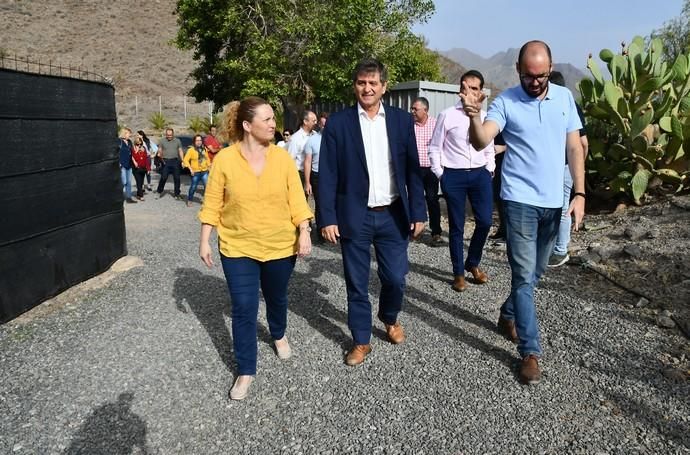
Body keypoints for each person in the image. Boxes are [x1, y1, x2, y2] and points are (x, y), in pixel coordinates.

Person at [461, 41, 585, 385]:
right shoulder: (506, 102)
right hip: (518, 202)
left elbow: (574, 146)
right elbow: (482, 140)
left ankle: (507, 312)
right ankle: (530, 352)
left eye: (542, 75)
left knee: (537, 271)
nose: (536, 82)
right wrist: (474, 117)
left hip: (554, 203)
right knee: (523, 274)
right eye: (529, 76)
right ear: (519, 70)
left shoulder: (563, 98)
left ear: (551, 68)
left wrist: (580, 192)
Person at [198, 96, 313, 400]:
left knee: (276, 297)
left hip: (279, 245)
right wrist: (204, 239)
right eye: (267, 119)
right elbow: (212, 203)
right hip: (238, 247)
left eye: (274, 118)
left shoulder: (282, 158)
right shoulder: (224, 159)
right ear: (248, 126)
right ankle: (245, 369)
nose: (274, 124)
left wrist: (304, 231)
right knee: (244, 308)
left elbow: (297, 199)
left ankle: (278, 333)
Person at [318, 58, 426, 366]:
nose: (367, 88)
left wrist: (418, 211)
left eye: (373, 83)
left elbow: (412, 170)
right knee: (356, 281)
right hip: (355, 214)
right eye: (362, 83)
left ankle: (389, 317)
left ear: (384, 87)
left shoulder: (400, 121)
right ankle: (361, 339)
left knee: (396, 277)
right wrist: (327, 217)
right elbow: (327, 174)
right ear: (355, 86)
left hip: (393, 214)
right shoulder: (339, 124)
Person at [429, 70, 495, 292]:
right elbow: (435, 146)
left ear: (480, 91)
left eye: (475, 88)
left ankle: (472, 262)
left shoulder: (486, 116)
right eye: (466, 87)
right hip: (453, 175)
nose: (469, 91)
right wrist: (441, 174)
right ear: (460, 89)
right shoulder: (447, 115)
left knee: (485, 221)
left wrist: (490, 169)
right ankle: (458, 273)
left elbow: (488, 146)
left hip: (480, 173)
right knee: (456, 226)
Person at [547, 71, 589, 267]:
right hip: (566, 165)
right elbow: (584, 144)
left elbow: (581, 142)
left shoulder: (553, 104)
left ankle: (560, 250)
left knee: (560, 206)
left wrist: (576, 166)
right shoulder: (574, 106)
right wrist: (579, 166)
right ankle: (558, 248)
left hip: (559, 164)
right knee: (562, 206)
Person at [411, 97, 442, 246]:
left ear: (425, 110)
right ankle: (415, 229)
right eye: (412, 108)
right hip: (414, 169)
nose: (413, 112)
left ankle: (436, 231)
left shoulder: (436, 124)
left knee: (432, 199)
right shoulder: (409, 125)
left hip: (430, 170)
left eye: (415, 109)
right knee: (415, 199)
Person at [304, 112, 328, 230]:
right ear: (319, 124)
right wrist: (307, 182)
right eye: (322, 125)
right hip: (317, 175)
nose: (324, 127)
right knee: (320, 203)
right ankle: (320, 231)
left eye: (326, 124)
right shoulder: (312, 140)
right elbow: (307, 162)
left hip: (332, 174)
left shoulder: (336, 138)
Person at [287, 111, 317, 185]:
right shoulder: (295, 139)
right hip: (300, 175)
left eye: (316, 120)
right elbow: (290, 159)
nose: (316, 122)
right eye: (313, 121)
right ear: (305, 121)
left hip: (314, 174)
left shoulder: (315, 134)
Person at [155, 128, 184, 199]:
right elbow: (160, 150)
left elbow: (180, 151)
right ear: (166, 134)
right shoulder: (162, 141)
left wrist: (183, 160)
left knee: (177, 178)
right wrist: (159, 153)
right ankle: (159, 191)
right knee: (163, 177)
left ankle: (177, 194)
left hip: (175, 161)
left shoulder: (177, 141)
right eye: (167, 135)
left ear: (173, 134)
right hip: (165, 162)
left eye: (170, 135)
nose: (169, 136)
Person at [182, 134, 211, 207]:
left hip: (204, 171)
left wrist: (209, 166)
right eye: (197, 140)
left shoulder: (204, 149)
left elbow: (207, 158)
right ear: (194, 141)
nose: (199, 142)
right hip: (195, 172)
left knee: (207, 186)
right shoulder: (191, 150)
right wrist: (190, 169)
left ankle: (207, 201)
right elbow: (185, 160)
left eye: (200, 140)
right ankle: (190, 200)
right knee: (193, 187)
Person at [489, 133, 507, 242]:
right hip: (494, 161)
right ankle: (502, 229)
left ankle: (507, 233)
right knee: (497, 197)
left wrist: (504, 147)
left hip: (506, 161)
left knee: (504, 198)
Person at [118, 127, 136, 204]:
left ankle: (129, 197)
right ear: (124, 133)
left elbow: (131, 153)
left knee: (128, 182)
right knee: (124, 181)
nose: (130, 135)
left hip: (129, 165)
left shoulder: (129, 142)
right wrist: (119, 163)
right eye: (129, 133)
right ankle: (119, 197)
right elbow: (115, 153)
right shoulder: (119, 142)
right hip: (122, 165)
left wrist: (134, 161)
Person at [131, 135, 150, 201]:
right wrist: (136, 152)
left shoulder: (144, 148)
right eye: (137, 144)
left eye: (140, 144)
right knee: (138, 182)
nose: (139, 145)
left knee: (141, 182)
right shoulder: (132, 149)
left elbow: (146, 159)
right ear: (135, 143)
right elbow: (133, 158)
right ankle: (141, 196)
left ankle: (139, 194)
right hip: (136, 168)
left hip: (143, 168)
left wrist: (148, 169)